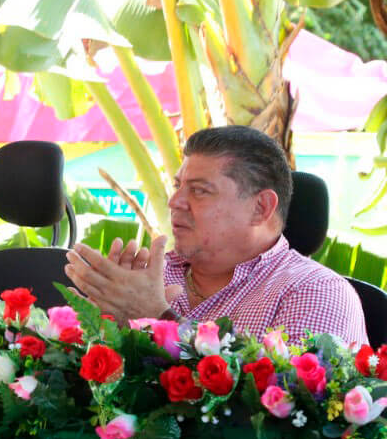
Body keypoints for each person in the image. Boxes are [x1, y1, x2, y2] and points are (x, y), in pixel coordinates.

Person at [64, 125, 368, 345]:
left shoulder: (316, 292)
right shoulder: (147, 279)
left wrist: (158, 319)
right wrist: (101, 334)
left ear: (260, 207)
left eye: (199, 190)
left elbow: (284, 407)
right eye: (178, 186)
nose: (175, 202)